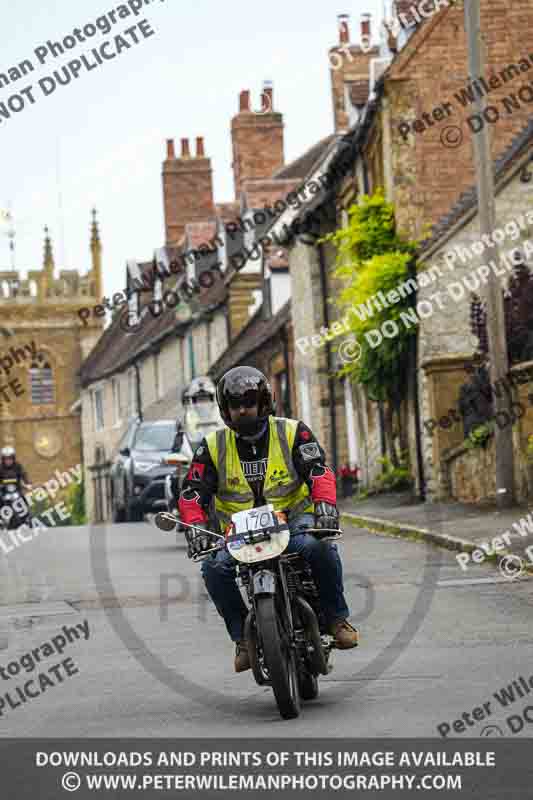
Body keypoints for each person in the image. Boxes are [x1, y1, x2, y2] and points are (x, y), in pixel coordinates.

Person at [177, 366, 358, 673]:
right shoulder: (212, 447)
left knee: (320, 548)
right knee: (213, 567)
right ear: (225, 410)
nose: (243, 410)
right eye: (235, 405)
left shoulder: (293, 431)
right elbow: (192, 492)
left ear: (265, 402)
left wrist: (325, 505)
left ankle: (337, 619)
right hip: (238, 533)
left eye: (249, 402)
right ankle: (243, 640)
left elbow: (318, 470)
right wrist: (195, 527)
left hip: (293, 521)